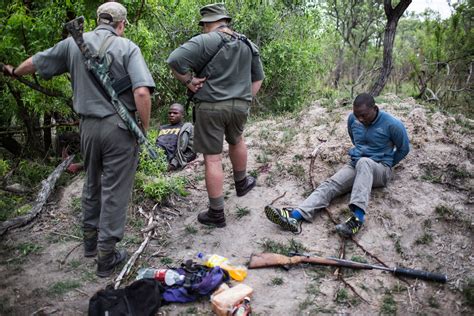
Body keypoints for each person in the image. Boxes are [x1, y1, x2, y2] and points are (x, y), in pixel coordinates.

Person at [3, 2, 155, 277]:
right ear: (121, 24)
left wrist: (14, 71)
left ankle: (89, 242)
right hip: (119, 128)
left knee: (92, 181)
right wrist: (142, 129)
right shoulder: (127, 47)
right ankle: (106, 255)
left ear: (98, 20)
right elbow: (142, 93)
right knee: (114, 189)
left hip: (87, 128)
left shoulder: (73, 43)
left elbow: (37, 61)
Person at [166, 3, 264, 227]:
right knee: (237, 140)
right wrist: (244, 99)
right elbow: (258, 78)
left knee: (212, 157)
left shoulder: (205, 40)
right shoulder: (247, 43)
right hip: (239, 106)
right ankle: (242, 183)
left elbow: (174, 60)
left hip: (210, 106)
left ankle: (217, 213)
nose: (203, 29)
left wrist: (189, 81)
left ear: (208, 23)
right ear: (225, 21)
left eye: (203, 25)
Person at [265, 93, 410, 236]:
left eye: (364, 115)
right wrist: (360, 154)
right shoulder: (353, 120)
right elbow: (355, 139)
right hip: (357, 165)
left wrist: (387, 162)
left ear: (375, 108)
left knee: (365, 162)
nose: (360, 119)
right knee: (330, 184)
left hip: (380, 169)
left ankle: (357, 219)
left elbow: (404, 149)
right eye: (356, 114)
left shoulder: (392, 124)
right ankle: (295, 216)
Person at [156, 103, 196, 170]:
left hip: (172, 160)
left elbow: (191, 151)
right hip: (156, 157)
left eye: (175, 113)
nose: (171, 115)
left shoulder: (187, 127)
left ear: (182, 115)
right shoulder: (162, 128)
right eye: (170, 113)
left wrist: (174, 163)